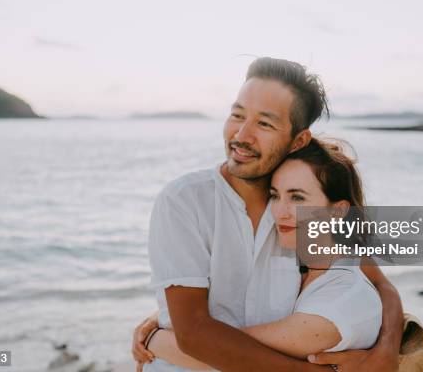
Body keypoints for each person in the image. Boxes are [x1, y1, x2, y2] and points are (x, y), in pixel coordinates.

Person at [132, 57, 403, 371]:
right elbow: (192, 333)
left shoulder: (301, 215)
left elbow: (379, 285)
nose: (241, 136)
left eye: (264, 123)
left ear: (298, 140)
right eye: (237, 115)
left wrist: (387, 350)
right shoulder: (184, 201)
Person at [138, 138, 384, 369]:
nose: (280, 212)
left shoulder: (338, 306)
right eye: (275, 195)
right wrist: (165, 314)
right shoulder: (300, 264)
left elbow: (215, 352)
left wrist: (155, 339)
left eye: (298, 197)